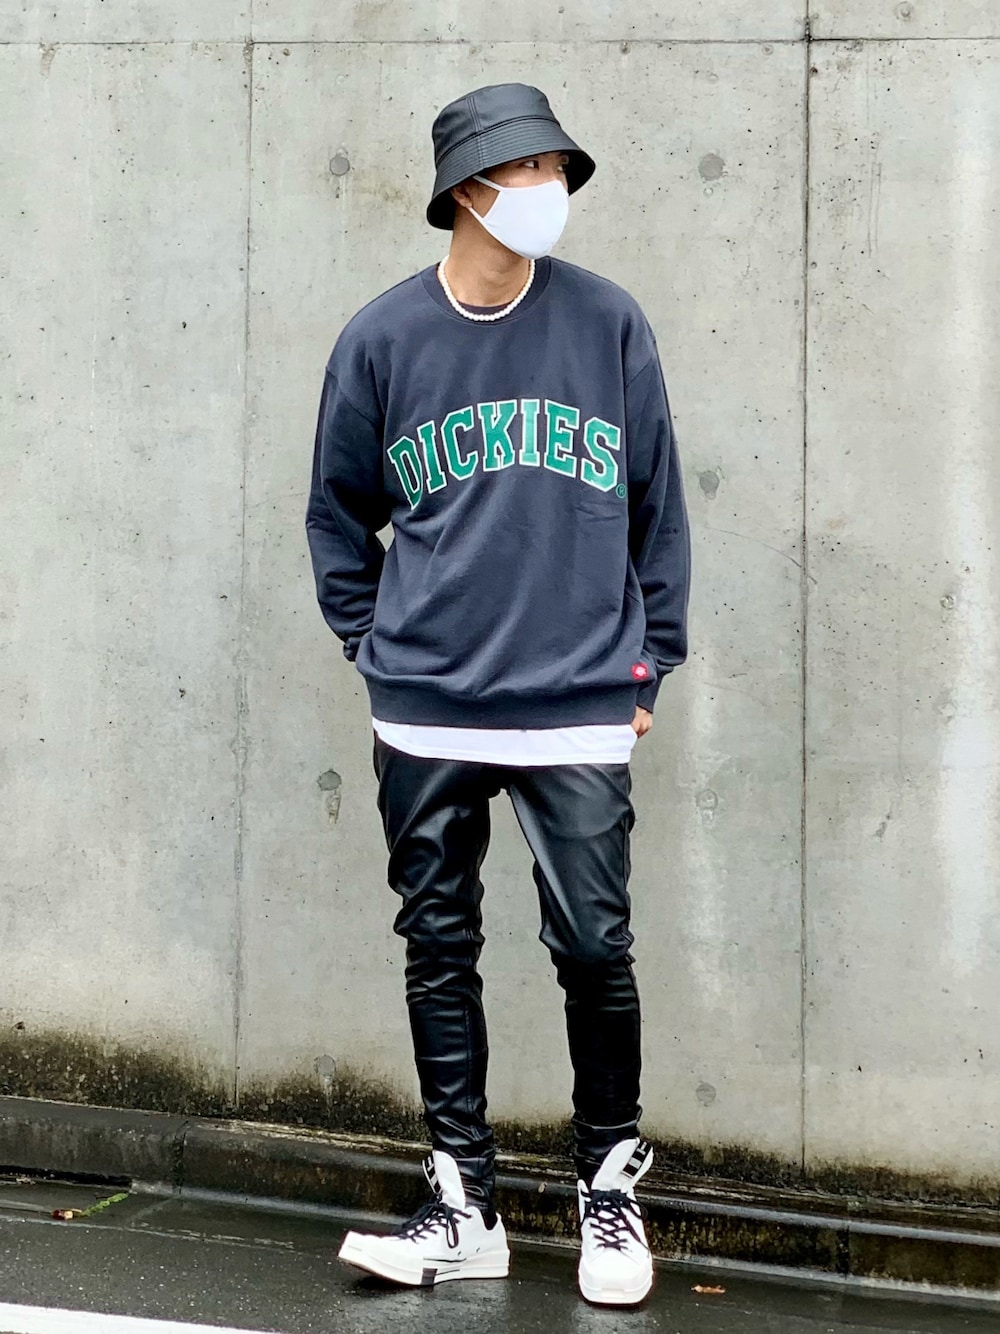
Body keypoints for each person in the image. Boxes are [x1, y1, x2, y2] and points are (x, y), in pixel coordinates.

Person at [305, 81, 691, 1307]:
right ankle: (462, 1201)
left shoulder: (607, 324)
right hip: (427, 700)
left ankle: (608, 1185)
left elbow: (656, 503)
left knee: (594, 945)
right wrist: (376, 646)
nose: (548, 189)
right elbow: (337, 514)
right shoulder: (382, 338)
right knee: (437, 942)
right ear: (468, 190)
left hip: (576, 693)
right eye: (527, 170)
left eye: (556, 170)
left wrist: (649, 659)